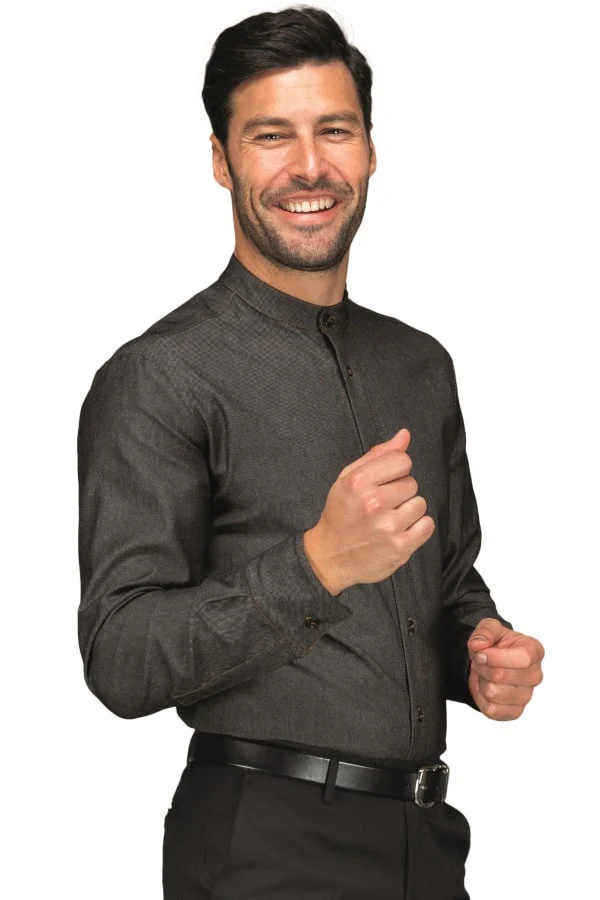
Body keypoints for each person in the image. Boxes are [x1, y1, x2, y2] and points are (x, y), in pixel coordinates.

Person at [77, 6, 545, 899]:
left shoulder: (421, 365)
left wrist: (481, 654)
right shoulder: (159, 376)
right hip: (263, 846)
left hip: (427, 844)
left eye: (335, 130)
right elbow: (121, 657)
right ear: (222, 160)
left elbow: (448, 584)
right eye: (270, 136)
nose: (309, 166)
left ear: (369, 150)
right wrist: (319, 563)